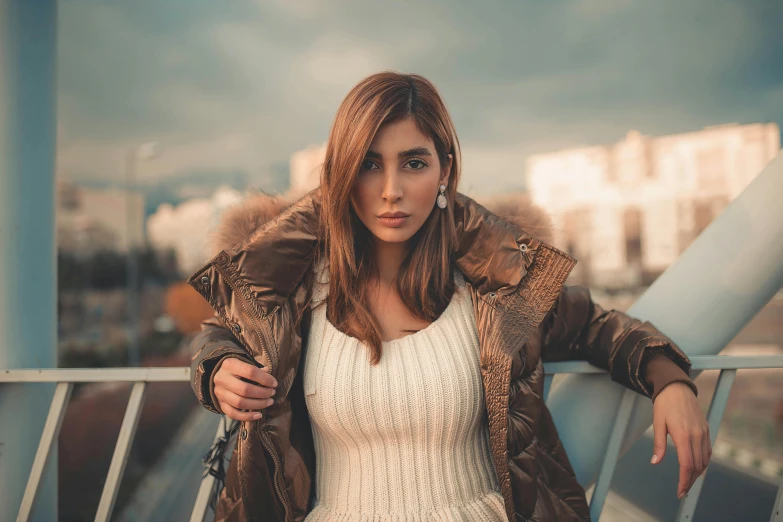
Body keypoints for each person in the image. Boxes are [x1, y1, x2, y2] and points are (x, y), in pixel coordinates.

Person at [188, 72, 711, 522]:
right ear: (342, 178)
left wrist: (669, 382)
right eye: (369, 165)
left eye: (414, 163)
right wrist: (216, 370)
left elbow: (597, 326)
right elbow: (222, 333)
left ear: (444, 172)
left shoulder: (494, 290)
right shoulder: (300, 291)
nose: (391, 189)